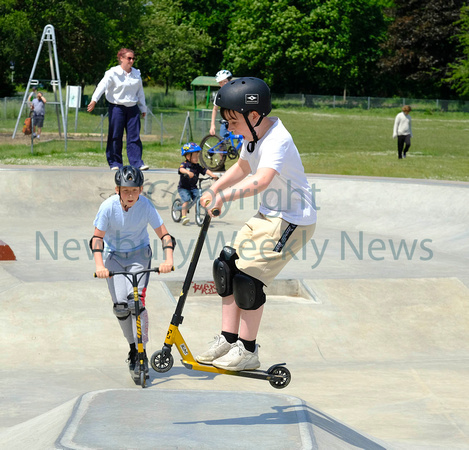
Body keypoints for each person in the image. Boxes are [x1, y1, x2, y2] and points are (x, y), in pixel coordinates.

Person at [197, 77, 317, 371]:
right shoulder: (254, 136)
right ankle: (228, 339)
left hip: (292, 220)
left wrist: (224, 196)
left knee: (248, 279)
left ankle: (248, 351)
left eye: (233, 120)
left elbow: (261, 180)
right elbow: (243, 167)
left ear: (254, 115)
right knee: (226, 265)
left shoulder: (278, 139)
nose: (229, 127)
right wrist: (214, 189)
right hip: (268, 214)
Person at [91, 165, 175, 374]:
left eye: (134, 190)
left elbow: (165, 235)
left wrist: (168, 260)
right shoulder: (108, 207)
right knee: (120, 307)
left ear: (141, 189)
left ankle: (142, 351)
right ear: (118, 189)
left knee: (135, 303)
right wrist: (99, 265)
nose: (130, 195)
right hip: (114, 258)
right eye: (126, 190)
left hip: (139, 256)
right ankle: (132, 349)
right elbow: (97, 238)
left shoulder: (145, 206)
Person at [87, 48, 149, 171]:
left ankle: (137, 163)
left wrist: (143, 107)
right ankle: (115, 162)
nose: (131, 61)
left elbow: (140, 92)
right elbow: (102, 86)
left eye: (133, 58)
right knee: (115, 135)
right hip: (117, 108)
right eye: (129, 58)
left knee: (134, 137)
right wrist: (94, 100)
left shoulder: (136, 74)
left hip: (132, 108)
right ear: (121, 58)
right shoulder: (113, 73)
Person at [178, 142, 219, 225]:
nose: (197, 158)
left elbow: (205, 170)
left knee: (200, 198)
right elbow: (180, 169)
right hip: (184, 188)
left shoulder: (197, 166)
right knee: (186, 199)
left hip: (193, 187)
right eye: (194, 156)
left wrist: (213, 175)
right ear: (188, 156)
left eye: (197, 156)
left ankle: (200, 215)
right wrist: (187, 172)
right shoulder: (185, 164)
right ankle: (184, 217)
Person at [209, 70, 233, 137]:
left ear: (230, 80)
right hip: (226, 122)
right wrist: (212, 125)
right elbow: (215, 109)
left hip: (238, 121)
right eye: (220, 82)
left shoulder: (237, 91)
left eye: (225, 81)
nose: (223, 84)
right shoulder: (219, 94)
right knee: (222, 142)